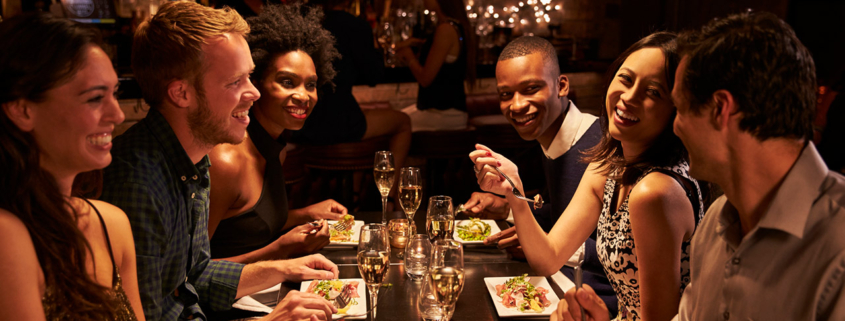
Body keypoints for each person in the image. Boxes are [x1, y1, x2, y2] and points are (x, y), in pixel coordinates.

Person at [556, 11, 845, 321]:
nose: (675, 127)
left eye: (678, 107)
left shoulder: (835, 245)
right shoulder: (718, 222)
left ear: (721, 110)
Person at [100, 2, 339, 320]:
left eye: (250, 77)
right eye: (235, 82)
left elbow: (194, 276)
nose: (254, 93)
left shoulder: (196, 160)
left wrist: (281, 268)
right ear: (181, 94)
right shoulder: (138, 183)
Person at [472, 32, 705, 321]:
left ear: (676, 108)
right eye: (626, 79)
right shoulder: (608, 164)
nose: (629, 97)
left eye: (653, 91)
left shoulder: (654, 191)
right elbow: (549, 257)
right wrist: (513, 190)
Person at [0, 14, 144, 320]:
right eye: (94, 98)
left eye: (114, 93)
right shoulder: (5, 233)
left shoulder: (112, 224)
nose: (117, 115)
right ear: (22, 110)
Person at [460, 35, 617, 315]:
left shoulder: (600, 146)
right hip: (558, 288)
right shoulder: (549, 140)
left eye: (531, 88)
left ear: (562, 86)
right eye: (506, 94)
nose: (517, 105)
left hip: (600, 305)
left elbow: (621, 249)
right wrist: (506, 207)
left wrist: (541, 241)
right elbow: (558, 214)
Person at [208, 4, 346, 262]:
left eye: (311, 85)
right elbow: (190, 274)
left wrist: (305, 214)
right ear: (256, 82)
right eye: (287, 82)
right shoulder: (226, 160)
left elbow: (248, 225)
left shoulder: (275, 149)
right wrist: (282, 250)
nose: (303, 96)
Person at [291, 0, 412, 180]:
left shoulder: (295, 20)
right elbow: (374, 76)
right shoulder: (354, 25)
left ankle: (340, 190)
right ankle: (389, 198)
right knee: (403, 122)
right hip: (338, 121)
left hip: (298, 121)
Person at [396, 0, 477, 132]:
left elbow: (425, 79)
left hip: (444, 114)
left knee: (394, 125)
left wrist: (409, 56)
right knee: (397, 117)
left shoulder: (445, 29)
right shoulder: (454, 26)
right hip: (448, 112)